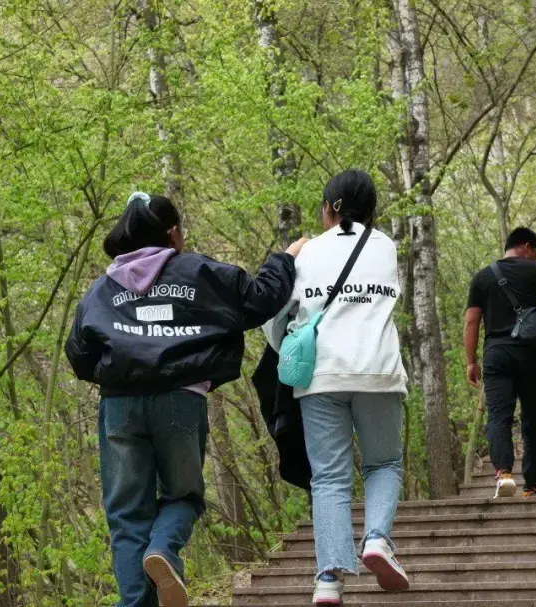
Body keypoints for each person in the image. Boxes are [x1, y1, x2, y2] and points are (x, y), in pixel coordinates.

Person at [66, 192, 304, 607]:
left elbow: (79, 354)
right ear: (172, 233)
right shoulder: (200, 273)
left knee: (126, 517)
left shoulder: (100, 291)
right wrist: (284, 257)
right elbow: (262, 299)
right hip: (180, 401)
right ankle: (163, 547)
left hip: (120, 407)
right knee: (183, 497)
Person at [264, 170, 409, 606]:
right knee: (384, 464)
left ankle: (327, 579)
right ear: (373, 209)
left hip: (321, 377)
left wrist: (285, 348)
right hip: (378, 372)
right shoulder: (386, 247)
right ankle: (378, 540)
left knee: (329, 478)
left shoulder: (307, 254)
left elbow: (279, 320)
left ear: (328, 208)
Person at [464, 227, 536, 499]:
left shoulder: (483, 277)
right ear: (528, 247)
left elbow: (472, 321)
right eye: (535, 253)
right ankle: (532, 486)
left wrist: (471, 361)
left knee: (498, 415)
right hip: (533, 354)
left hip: (497, 352)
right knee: (534, 419)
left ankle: (504, 474)